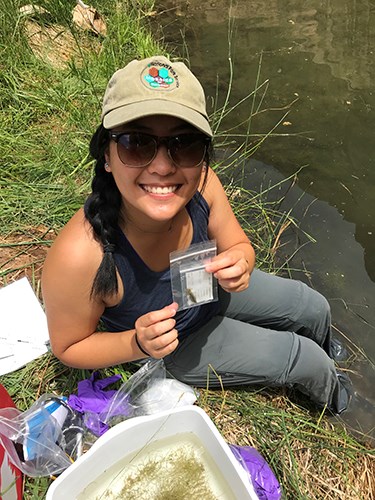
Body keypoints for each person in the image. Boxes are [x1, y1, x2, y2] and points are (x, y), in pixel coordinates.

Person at [41, 55, 351, 414]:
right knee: (306, 361)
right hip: (179, 341)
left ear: (203, 155)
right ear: (106, 155)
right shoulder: (81, 255)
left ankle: (334, 353)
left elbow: (237, 245)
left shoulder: (204, 186)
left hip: (203, 290)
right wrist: (137, 343)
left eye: (184, 144)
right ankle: (343, 407)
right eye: (136, 143)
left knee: (314, 307)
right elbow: (69, 347)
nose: (162, 166)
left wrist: (242, 262)